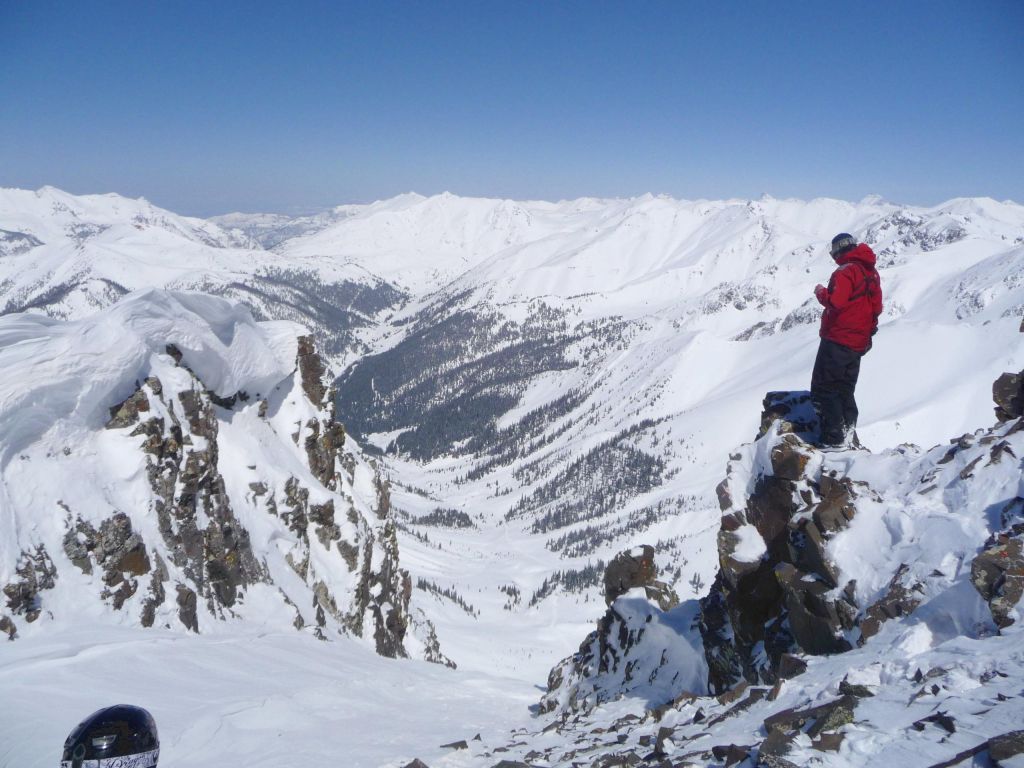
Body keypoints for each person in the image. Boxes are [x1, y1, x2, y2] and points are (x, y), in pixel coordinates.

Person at [810, 233, 883, 448]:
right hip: (858, 340)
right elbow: (876, 306)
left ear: (840, 250)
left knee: (825, 387)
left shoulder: (845, 272)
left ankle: (834, 438)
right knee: (845, 387)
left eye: (833, 253)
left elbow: (836, 302)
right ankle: (848, 430)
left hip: (838, 338)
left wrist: (820, 292)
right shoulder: (870, 271)